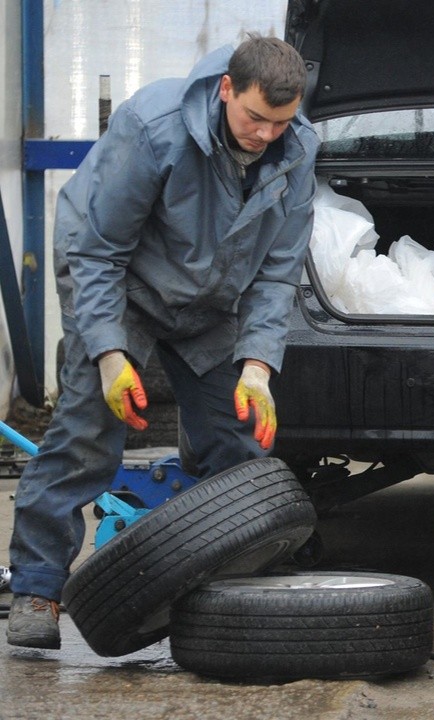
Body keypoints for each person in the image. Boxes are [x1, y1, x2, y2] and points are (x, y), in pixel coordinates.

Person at [6, 34, 319, 649]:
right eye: (254, 117)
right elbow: (97, 252)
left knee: (238, 437)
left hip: (209, 300)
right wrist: (109, 354)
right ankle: (38, 586)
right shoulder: (155, 128)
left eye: (279, 123)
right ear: (227, 89)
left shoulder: (297, 149)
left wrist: (257, 366)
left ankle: (218, 582)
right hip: (123, 287)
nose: (264, 135)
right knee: (88, 434)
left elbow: (279, 270)